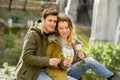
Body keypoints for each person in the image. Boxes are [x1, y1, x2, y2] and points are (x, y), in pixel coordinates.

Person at [44, 13, 120, 80]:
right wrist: (62, 62)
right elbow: (49, 61)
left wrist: (82, 55)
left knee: (89, 60)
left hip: (71, 71)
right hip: (58, 74)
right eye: (61, 28)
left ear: (70, 28)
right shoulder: (53, 41)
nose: (64, 31)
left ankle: (113, 77)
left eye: (66, 28)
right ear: (57, 29)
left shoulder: (74, 41)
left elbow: (78, 58)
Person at [15, 8, 61, 80]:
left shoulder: (52, 33)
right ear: (43, 20)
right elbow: (26, 57)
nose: (52, 24)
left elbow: (69, 36)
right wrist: (48, 61)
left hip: (47, 70)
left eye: (55, 21)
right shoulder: (33, 34)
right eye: (50, 20)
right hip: (30, 74)